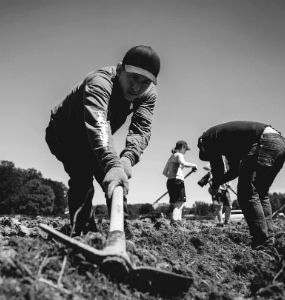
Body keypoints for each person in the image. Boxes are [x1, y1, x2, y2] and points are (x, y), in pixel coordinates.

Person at [45, 45, 160, 236]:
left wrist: (128, 158)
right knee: (83, 176)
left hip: (98, 136)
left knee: (117, 180)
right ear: (120, 68)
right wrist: (112, 163)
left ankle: (121, 232)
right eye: (133, 77)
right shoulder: (100, 82)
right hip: (65, 132)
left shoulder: (148, 94)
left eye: (145, 82)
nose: (137, 87)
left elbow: (141, 128)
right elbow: (98, 124)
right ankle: (81, 231)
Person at [197, 121, 285, 249]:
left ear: (201, 146)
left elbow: (217, 169)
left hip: (264, 142)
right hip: (280, 144)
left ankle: (261, 241)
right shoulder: (228, 142)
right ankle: (268, 239)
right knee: (261, 193)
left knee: (247, 194)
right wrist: (218, 182)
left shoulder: (207, 139)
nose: (213, 157)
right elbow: (235, 171)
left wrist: (214, 186)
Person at [162, 140, 197, 224]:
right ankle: (174, 222)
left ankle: (178, 222)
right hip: (178, 181)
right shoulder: (179, 155)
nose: (185, 152)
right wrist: (194, 165)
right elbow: (183, 163)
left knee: (177, 203)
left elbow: (164, 172)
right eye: (185, 149)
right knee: (180, 203)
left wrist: (173, 177)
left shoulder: (171, 157)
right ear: (182, 147)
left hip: (170, 181)